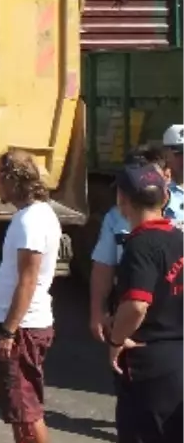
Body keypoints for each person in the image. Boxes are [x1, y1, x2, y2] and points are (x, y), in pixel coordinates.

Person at [105, 161, 184, 443]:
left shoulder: (140, 246)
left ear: (122, 200)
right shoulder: (179, 238)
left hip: (148, 366)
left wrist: (116, 339)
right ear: (165, 198)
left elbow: (137, 304)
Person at [0, 150, 62, 443]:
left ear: (11, 180)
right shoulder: (35, 215)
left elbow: (28, 279)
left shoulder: (30, 221)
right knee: (21, 409)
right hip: (25, 326)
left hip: (24, 328)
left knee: (26, 410)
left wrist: (8, 330)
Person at [89, 145, 178, 343]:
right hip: (133, 323)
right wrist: (98, 311)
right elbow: (104, 266)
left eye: (149, 174)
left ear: (167, 175)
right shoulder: (116, 217)